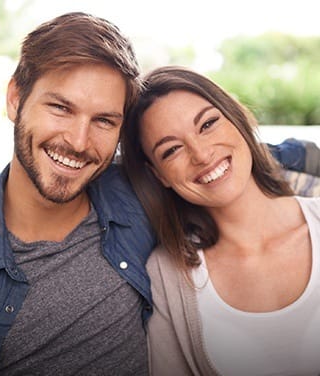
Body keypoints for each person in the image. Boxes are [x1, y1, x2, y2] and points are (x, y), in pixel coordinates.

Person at [0, 12, 156, 376]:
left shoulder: (137, 194)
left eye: (104, 121)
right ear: (15, 98)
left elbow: (215, 155)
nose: (78, 142)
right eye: (60, 108)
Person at [121, 65, 320, 376]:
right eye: (172, 149)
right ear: (158, 175)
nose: (200, 154)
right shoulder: (165, 276)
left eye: (208, 124)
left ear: (236, 119)